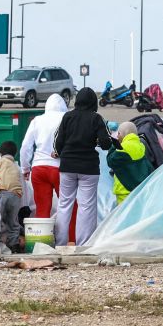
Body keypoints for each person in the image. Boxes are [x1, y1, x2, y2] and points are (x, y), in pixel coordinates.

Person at [53, 87, 114, 247]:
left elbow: (58, 142)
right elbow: (106, 143)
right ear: (94, 102)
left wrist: (63, 154)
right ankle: (83, 245)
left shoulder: (67, 117)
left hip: (67, 167)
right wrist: (99, 141)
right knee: (86, 206)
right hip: (88, 168)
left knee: (64, 204)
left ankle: (60, 243)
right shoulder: (96, 118)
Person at [19, 92, 67, 228]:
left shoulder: (37, 120)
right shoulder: (67, 118)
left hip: (39, 168)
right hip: (60, 168)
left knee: (42, 208)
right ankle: (68, 237)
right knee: (68, 207)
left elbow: (25, 147)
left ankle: (41, 238)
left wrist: (25, 168)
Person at [0, 140, 25, 249]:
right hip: (16, 196)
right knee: (13, 222)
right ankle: (14, 245)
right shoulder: (16, 166)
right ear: (15, 154)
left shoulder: (0, 161)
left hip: (3, 194)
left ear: (0, 153)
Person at [108, 122, 155, 202]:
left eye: (119, 134)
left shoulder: (122, 148)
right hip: (139, 189)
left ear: (122, 134)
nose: (118, 136)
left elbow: (110, 161)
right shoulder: (141, 145)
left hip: (124, 191)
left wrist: (114, 145)